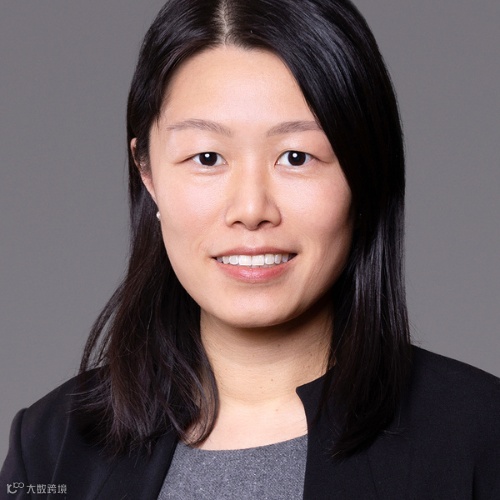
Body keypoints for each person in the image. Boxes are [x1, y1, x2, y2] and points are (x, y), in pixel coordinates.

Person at [1, 0, 499, 498]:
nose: (251, 208)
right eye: (207, 157)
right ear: (147, 173)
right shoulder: (51, 445)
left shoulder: (477, 435)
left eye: (296, 157)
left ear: (365, 171)